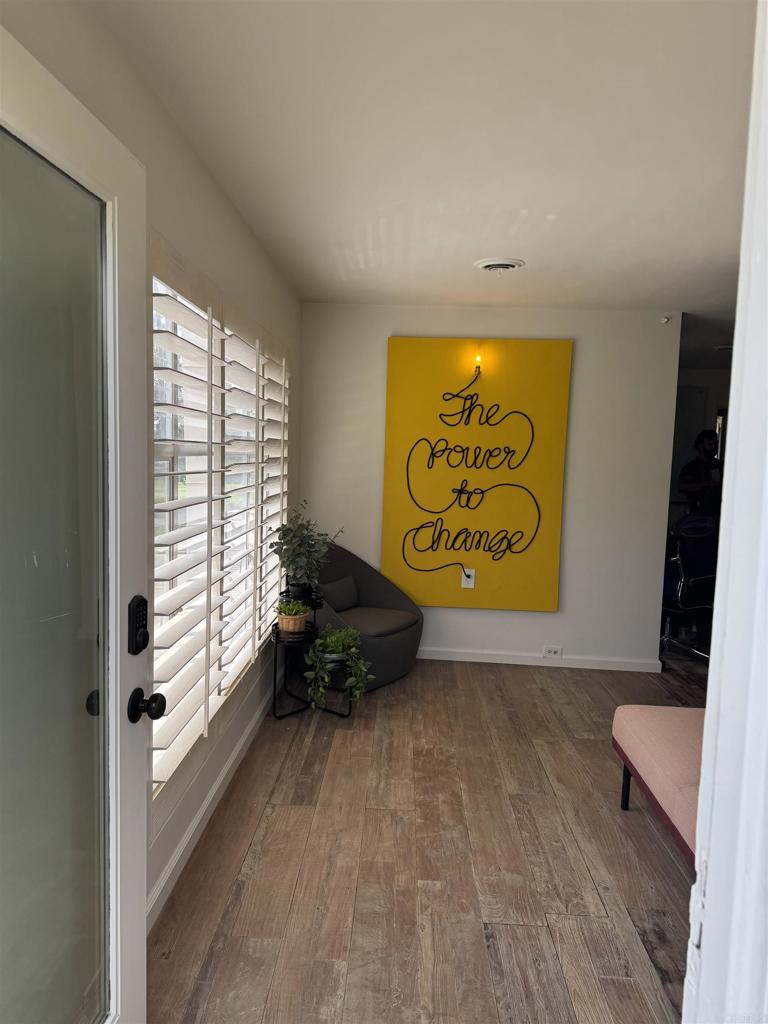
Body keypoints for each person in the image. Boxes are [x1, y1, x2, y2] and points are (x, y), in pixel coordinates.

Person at [678, 429, 723, 516]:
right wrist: (707, 484)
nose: (714, 447)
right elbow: (682, 486)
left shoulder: (722, 465)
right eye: (710, 444)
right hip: (699, 517)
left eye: (716, 444)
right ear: (700, 446)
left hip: (720, 515)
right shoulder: (691, 467)